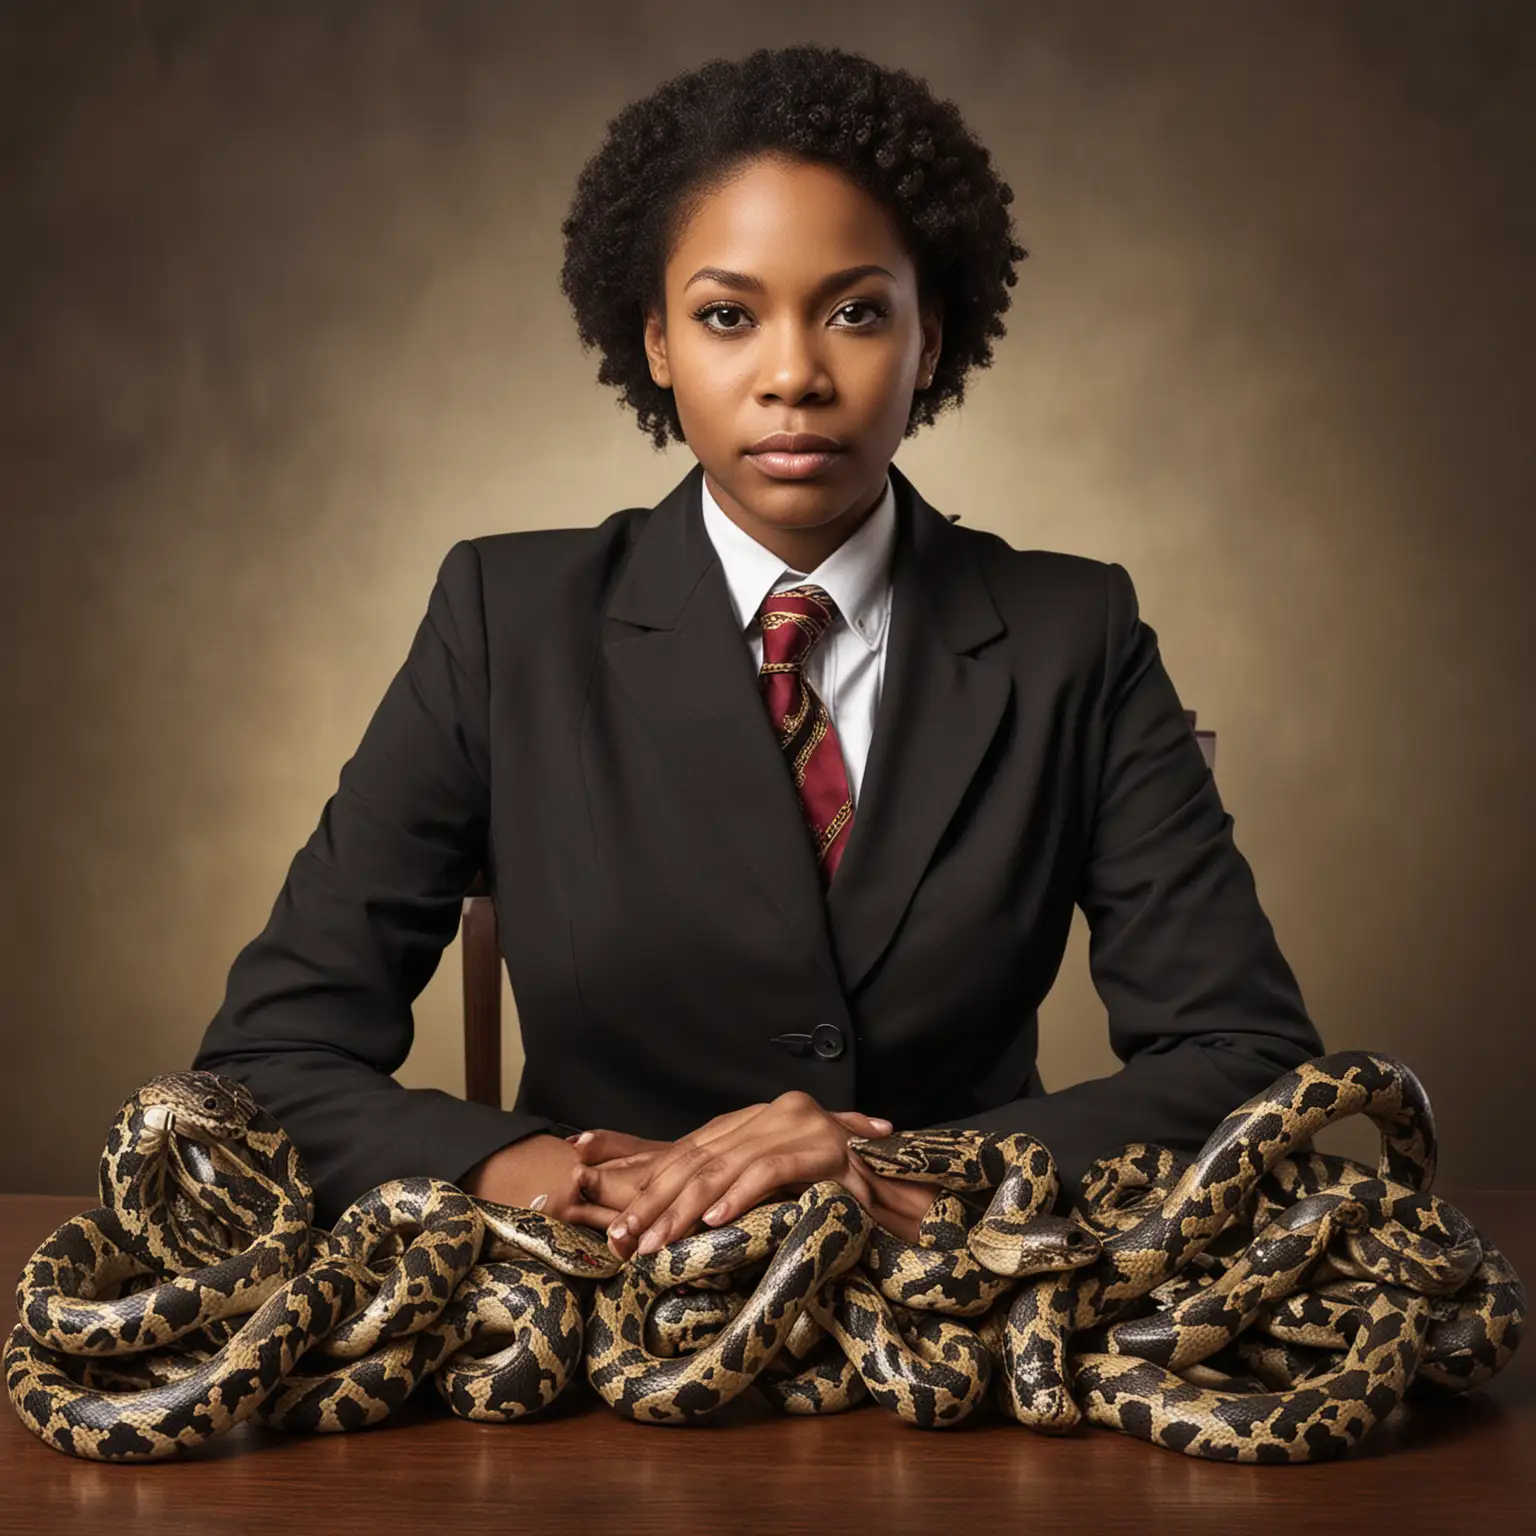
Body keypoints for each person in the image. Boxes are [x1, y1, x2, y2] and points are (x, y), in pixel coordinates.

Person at [193, 43, 1323, 1264]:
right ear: (659, 344)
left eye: (856, 312)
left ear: (929, 342)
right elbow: (268, 1059)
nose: (795, 374)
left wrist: (897, 1165)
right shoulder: (504, 617)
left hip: (954, 1311)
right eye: (728, 316)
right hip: (593, 1306)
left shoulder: (1073, 634)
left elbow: (1250, 1066)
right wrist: (535, 1174)